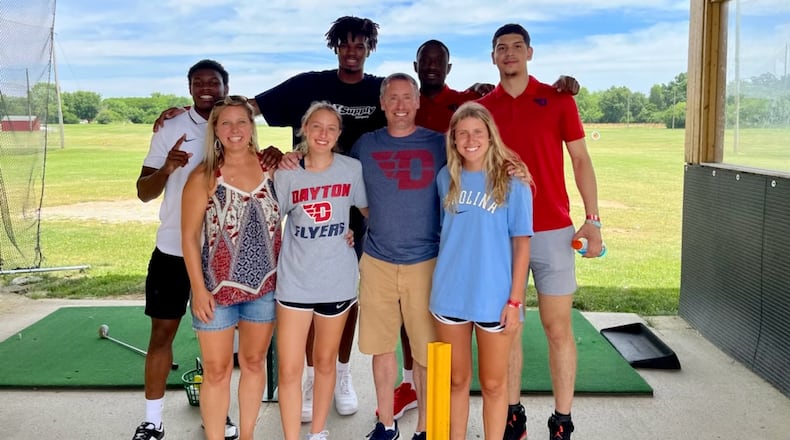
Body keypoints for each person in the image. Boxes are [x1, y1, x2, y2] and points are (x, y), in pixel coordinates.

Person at [477, 24, 603, 440]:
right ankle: (513, 415)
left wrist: (594, 220)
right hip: (500, 234)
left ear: (530, 52)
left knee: (557, 328)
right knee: (508, 328)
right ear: (493, 57)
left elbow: (581, 160)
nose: (509, 53)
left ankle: (562, 420)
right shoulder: (482, 108)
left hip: (552, 229)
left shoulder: (559, 99)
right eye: (501, 48)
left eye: (516, 47)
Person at [133, 59, 238, 440]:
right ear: (189, 87)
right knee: (162, 333)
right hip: (173, 249)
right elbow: (144, 193)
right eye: (198, 82)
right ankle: (152, 420)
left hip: (221, 252)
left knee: (218, 340)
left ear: (226, 87)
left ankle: (217, 414)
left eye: (213, 82)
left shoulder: (235, 126)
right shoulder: (171, 126)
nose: (206, 87)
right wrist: (166, 169)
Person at [351, 72, 446, 440]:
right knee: (380, 348)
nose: (401, 105)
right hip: (377, 260)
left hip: (426, 260)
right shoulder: (365, 145)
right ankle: (386, 424)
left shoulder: (439, 144)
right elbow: (346, 183)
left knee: (425, 352)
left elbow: (479, 160)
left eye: (408, 97)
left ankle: (425, 427)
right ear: (382, 103)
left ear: (419, 102)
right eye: (393, 98)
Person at [430, 102, 533, 439]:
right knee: (455, 381)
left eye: (477, 132)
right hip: (449, 296)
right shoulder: (445, 177)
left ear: (490, 136)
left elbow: (522, 245)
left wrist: (515, 301)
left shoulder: (511, 180)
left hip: (494, 297)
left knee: (493, 383)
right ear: (454, 140)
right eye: (463, 134)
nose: (470, 140)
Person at [181, 95, 281, 440]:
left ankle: (249, 434)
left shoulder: (273, 169)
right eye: (226, 122)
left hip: (264, 289)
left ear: (252, 127)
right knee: (217, 370)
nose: (235, 129)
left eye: (242, 121)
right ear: (215, 129)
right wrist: (198, 289)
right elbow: (189, 237)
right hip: (216, 290)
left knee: (254, 364)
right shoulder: (204, 176)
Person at [273, 101, 368, 440]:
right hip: (295, 282)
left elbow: (368, 210)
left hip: (338, 281)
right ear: (303, 129)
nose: (323, 134)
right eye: (316, 126)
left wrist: (357, 231)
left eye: (331, 128)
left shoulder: (351, 169)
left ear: (339, 134)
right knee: (290, 367)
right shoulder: (286, 173)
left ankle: (318, 433)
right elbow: (273, 221)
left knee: (326, 363)